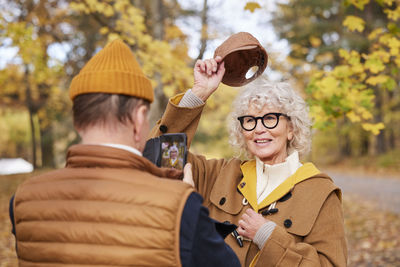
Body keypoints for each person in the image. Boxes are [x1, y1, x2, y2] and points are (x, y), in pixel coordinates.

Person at [9, 39, 240, 267]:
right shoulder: (177, 205)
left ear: (77, 121)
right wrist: (187, 209)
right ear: (139, 118)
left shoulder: (23, 198)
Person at [149, 56, 348, 266]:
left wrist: (268, 237)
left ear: (291, 128)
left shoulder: (320, 193)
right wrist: (199, 93)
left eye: (270, 118)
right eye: (250, 121)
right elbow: (160, 155)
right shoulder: (219, 174)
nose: (259, 129)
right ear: (242, 131)